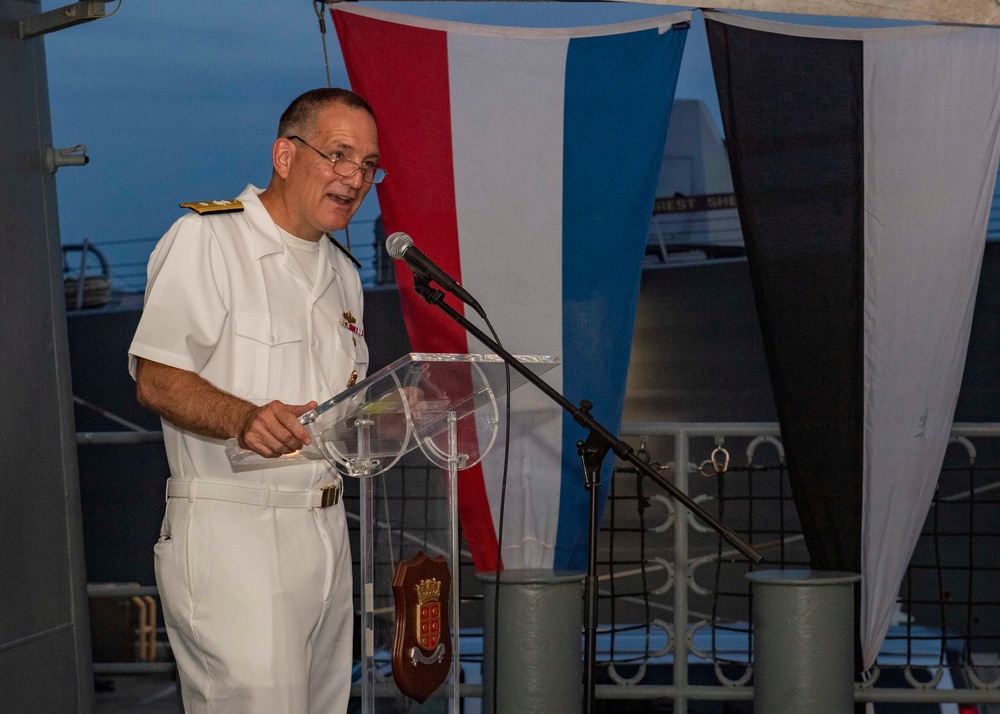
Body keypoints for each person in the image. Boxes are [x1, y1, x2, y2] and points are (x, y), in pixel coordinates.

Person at [128, 87, 384, 713]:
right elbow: (156, 378)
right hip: (235, 531)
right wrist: (242, 418)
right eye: (339, 156)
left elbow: (336, 409)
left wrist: (393, 417)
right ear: (285, 154)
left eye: (369, 166)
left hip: (327, 532)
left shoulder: (344, 274)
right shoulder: (208, 240)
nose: (354, 179)